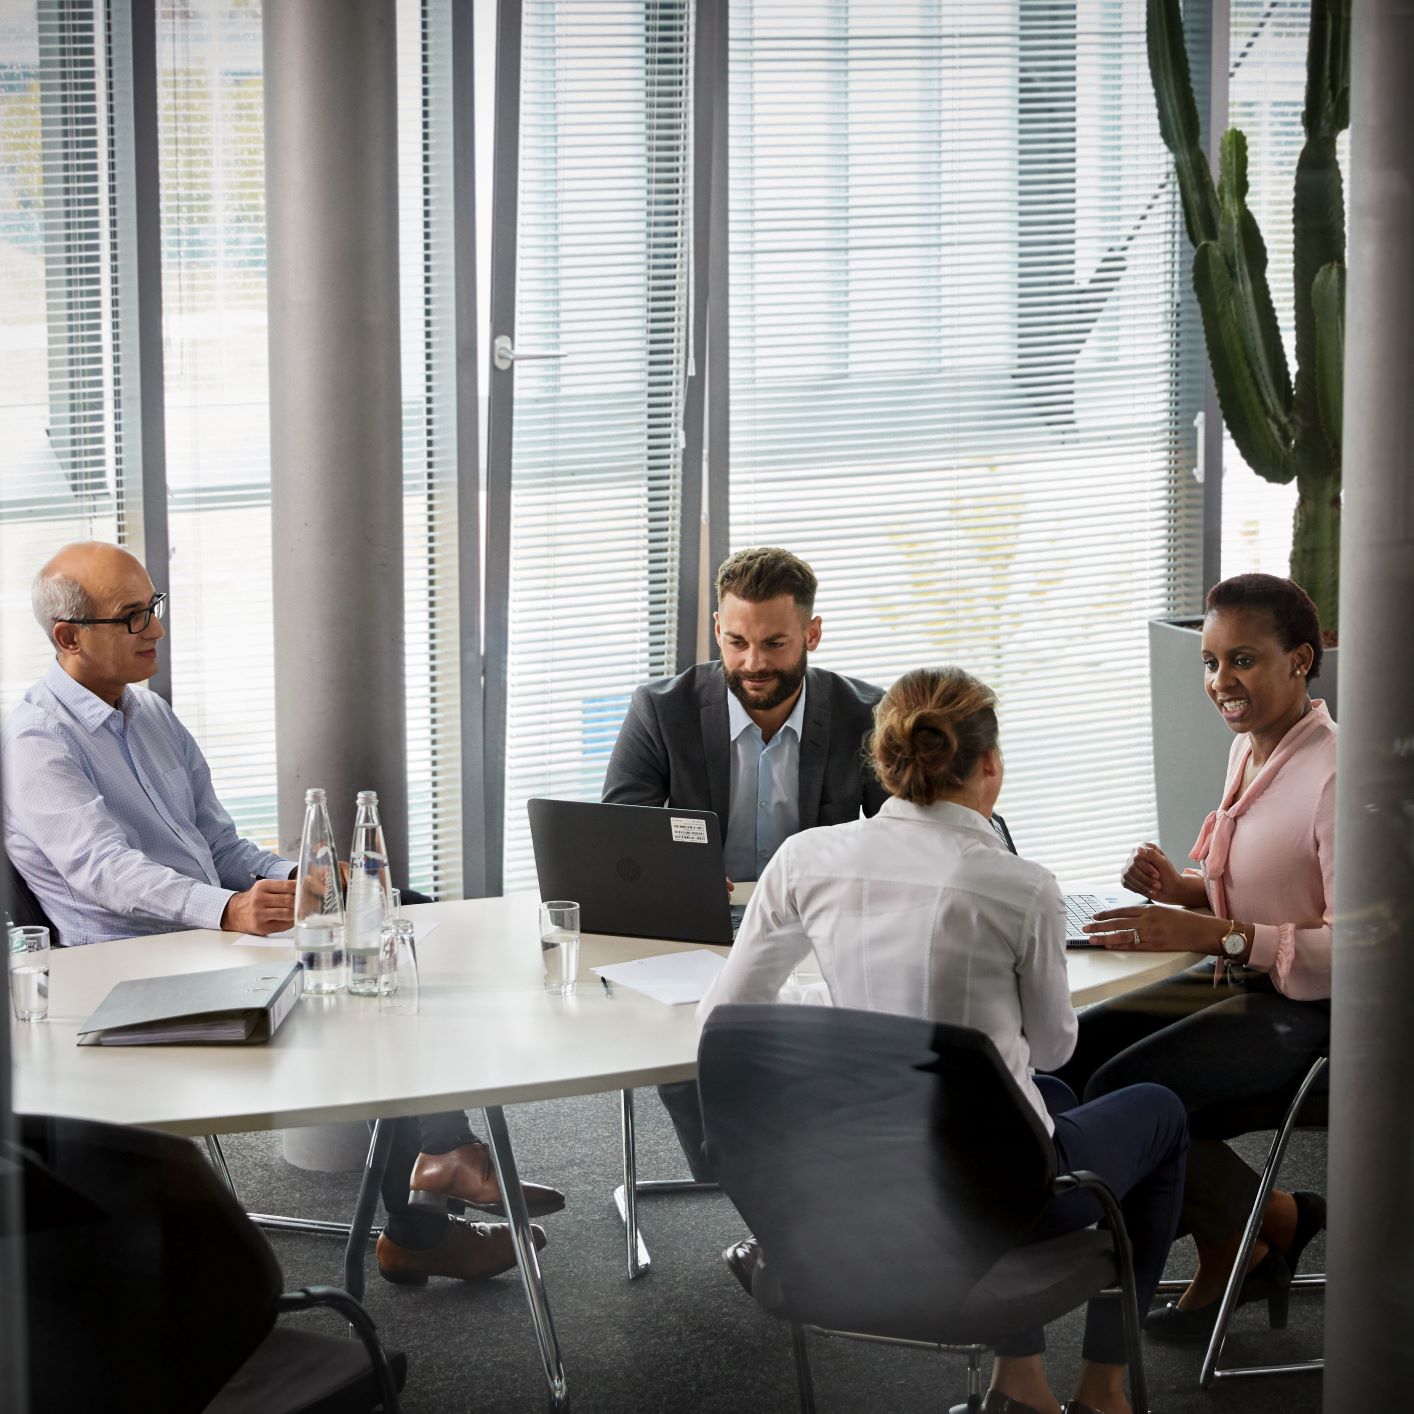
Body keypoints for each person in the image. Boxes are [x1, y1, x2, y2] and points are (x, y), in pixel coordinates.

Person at [2, 541, 561, 1283]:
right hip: (128, 982)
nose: (156, 631)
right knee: (369, 995)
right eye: (132, 616)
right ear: (68, 637)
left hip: (209, 944)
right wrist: (229, 910)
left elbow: (222, 844)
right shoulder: (37, 741)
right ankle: (433, 1189)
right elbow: (103, 872)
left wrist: (302, 879)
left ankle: (434, 1184)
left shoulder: (153, 715)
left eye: (155, 608)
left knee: (397, 921)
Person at [700, 666, 1188, 1414]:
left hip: (838, 1187)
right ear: (990, 764)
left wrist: (839, 1004)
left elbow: (730, 1015)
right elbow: (1055, 1044)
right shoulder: (1019, 884)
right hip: (993, 1205)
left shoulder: (804, 858)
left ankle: (1020, 1383)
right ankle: (1105, 1390)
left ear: (887, 761)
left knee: (1040, 1099)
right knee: (1157, 1110)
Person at [1064, 572, 1333, 1339]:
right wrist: (1182, 890)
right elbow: (1267, 898)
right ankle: (1255, 1229)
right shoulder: (1251, 750)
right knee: (1070, 1051)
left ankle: (1253, 1229)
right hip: (1241, 978)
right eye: (1211, 662)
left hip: (1315, 1016)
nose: (1222, 682)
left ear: (1301, 661)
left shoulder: (1338, 776)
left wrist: (1216, 935)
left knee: (1124, 1089)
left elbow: (1364, 952)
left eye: (1243, 660)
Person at [602, 545, 886, 1174]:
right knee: (693, 1026)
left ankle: (789, 1171)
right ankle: (743, 1167)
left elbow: (916, 824)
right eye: (736, 643)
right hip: (700, 928)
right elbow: (621, 839)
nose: (753, 664)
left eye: (776, 645)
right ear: (717, 630)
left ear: (812, 633)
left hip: (816, 928)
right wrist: (682, 878)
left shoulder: (863, 713)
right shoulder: (662, 709)